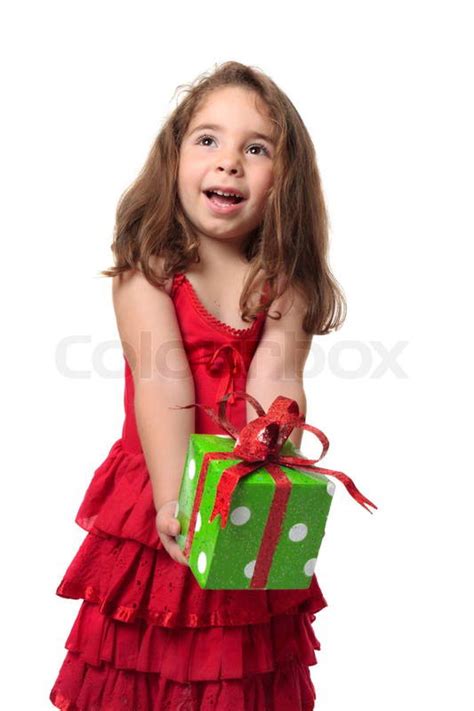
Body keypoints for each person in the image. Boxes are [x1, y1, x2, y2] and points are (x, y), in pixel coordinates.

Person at [49, 60, 347, 710]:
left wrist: (269, 456)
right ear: (175, 157)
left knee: (235, 669)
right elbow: (163, 383)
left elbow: (278, 377)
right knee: (149, 660)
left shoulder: (281, 282)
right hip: (160, 493)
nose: (229, 161)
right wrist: (171, 498)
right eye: (207, 139)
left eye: (256, 148)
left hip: (241, 492)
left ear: (284, 181)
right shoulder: (150, 269)